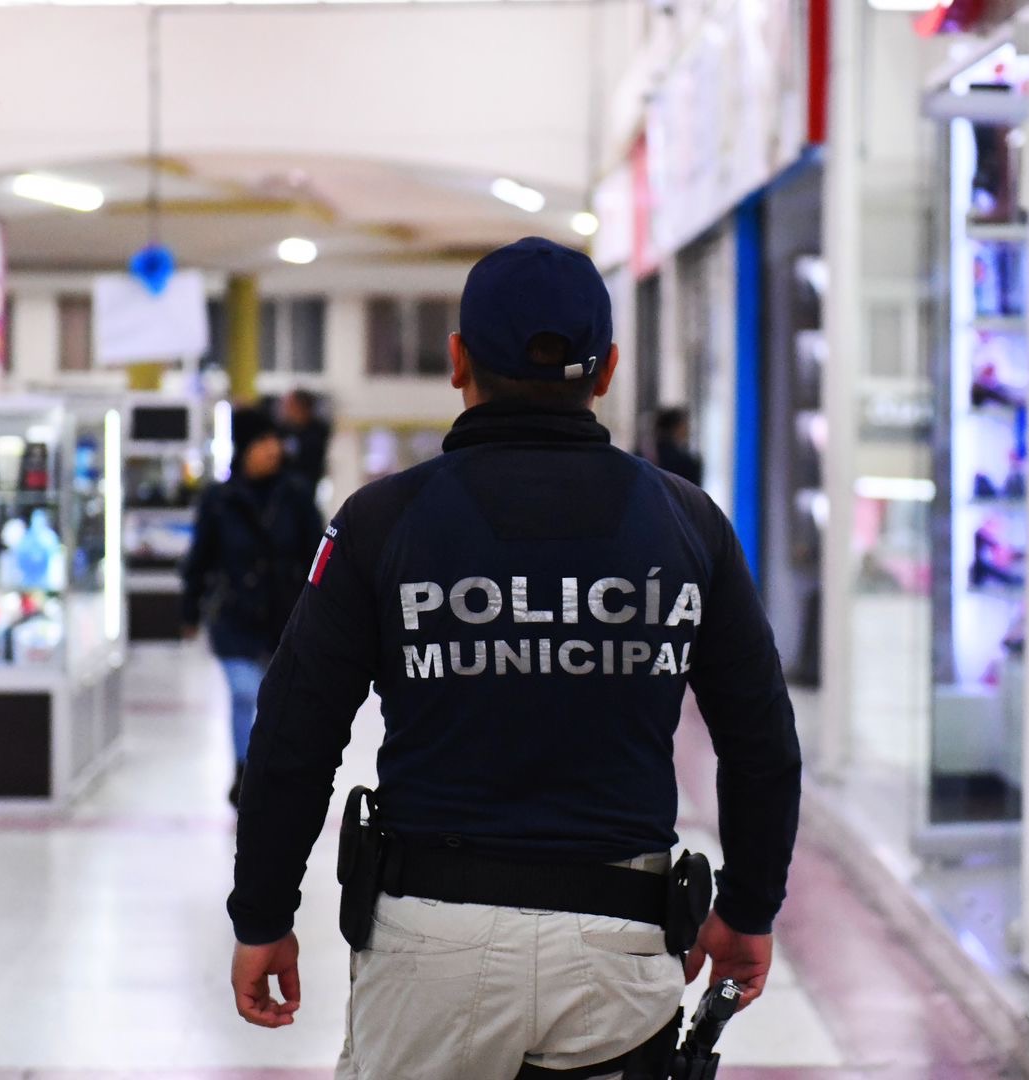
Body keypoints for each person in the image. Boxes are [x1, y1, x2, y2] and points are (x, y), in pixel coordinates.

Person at [228, 237, 802, 1078]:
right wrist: (749, 907)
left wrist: (263, 913)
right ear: (607, 370)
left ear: (457, 361)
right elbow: (761, 741)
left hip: (430, 944)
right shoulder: (688, 525)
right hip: (622, 941)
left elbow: (293, 735)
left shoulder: (382, 523)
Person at [181, 407, 325, 807]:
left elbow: (318, 556)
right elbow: (200, 558)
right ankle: (246, 771)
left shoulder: (295, 495)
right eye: (262, 441)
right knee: (245, 693)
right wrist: (190, 610)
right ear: (244, 447)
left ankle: (270, 771)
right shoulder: (219, 499)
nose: (272, 449)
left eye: (275, 440)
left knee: (281, 701)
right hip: (235, 616)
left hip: (286, 616)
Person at [278, 388, 331, 492]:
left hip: (306, 483)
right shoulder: (283, 430)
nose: (284, 409)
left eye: (288, 405)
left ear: (299, 406)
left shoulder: (318, 431)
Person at [651, 407, 704, 487]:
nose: (688, 429)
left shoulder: (642, 453)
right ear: (677, 428)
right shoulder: (687, 462)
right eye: (685, 425)